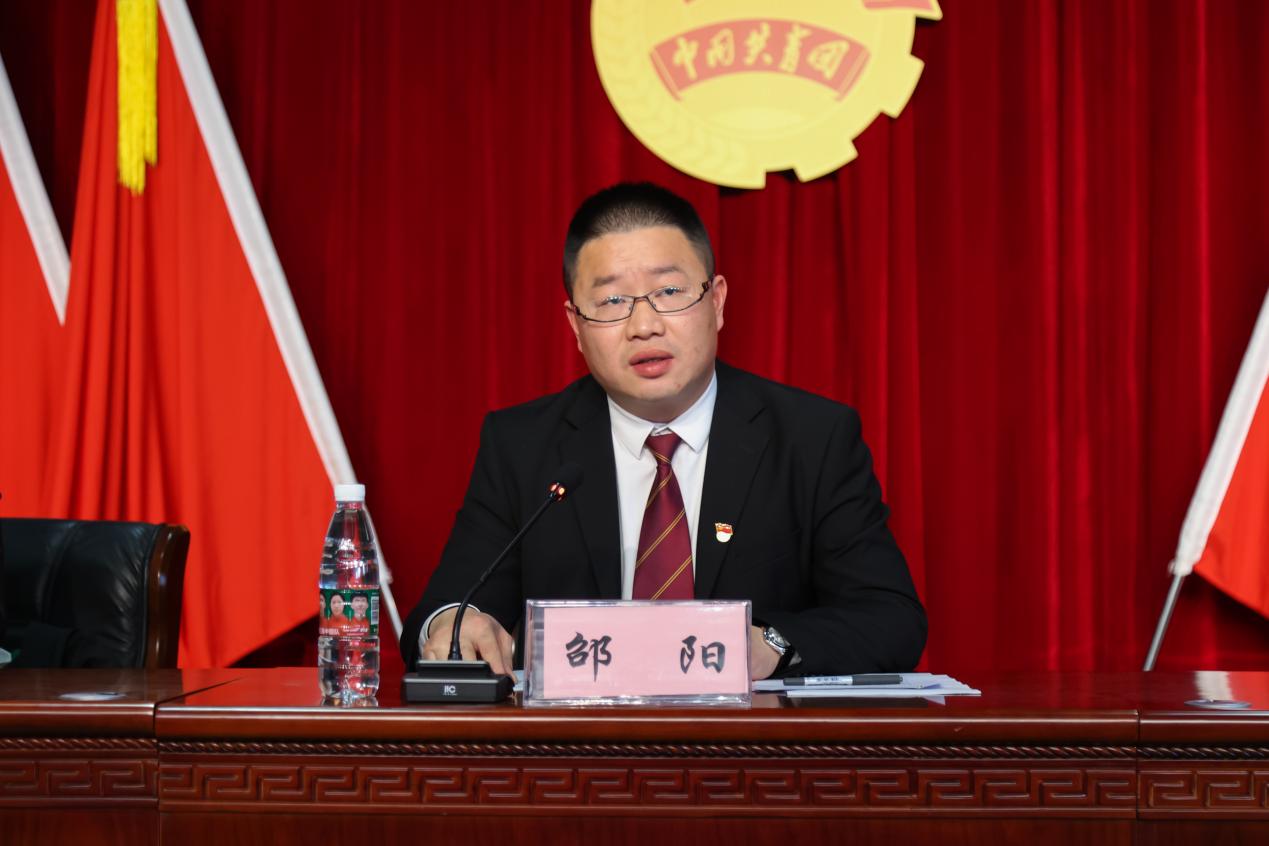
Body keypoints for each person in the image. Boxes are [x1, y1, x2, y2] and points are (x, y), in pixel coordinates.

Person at [400, 182, 926, 679]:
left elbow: (890, 619)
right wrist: (452, 625)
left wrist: (770, 644)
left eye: (669, 291)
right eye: (612, 302)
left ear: (716, 302)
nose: (644, 325)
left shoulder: (811, 439)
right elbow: (444, 612)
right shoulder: (522, 447)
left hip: (751, 741)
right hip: (579, 743)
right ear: (575, 326)